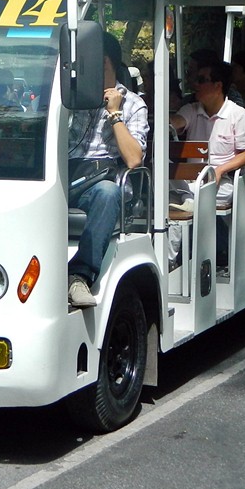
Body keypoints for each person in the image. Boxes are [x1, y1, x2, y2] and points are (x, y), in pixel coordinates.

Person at [67, 33, 149, 308]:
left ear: (103, 62)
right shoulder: (68, 99)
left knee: (107, 193)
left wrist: (115, 114)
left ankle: (79, 275)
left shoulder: (133, 104)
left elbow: (134, 159)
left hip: (101, 180)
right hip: (65, 175)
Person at [170, 60, 245, 270]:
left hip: (222, 184)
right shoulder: (191, 110)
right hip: (189, 183)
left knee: (175, 210)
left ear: (218, 85)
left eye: (201, 80)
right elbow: (177, 122)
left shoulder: (239, 116)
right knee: (163, 190)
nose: (195, 85)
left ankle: (169, 263)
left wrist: (220, 169)